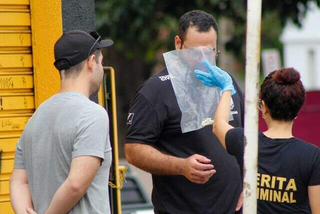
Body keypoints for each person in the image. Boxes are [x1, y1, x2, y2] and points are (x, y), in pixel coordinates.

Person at [125, 10, 244, 213]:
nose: (203, 61)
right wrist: (181, 166)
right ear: (178, 44)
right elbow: (133, 149)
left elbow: (245, 138)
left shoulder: (227, 83)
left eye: (210, 52)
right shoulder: (156, 91)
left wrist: (248, 183)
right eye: (195, 53)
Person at [9, 30, 113, 214]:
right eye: (101, 63)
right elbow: (75, 184)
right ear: (91, 62)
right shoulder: (92, 114)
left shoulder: (36, 117)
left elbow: (19, 181)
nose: (102, 70)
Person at [195, 63, 320, 213]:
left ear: (264, 108)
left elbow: (218, 125)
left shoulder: (247, 143)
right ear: (297, 111)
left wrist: (226, 88)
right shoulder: (312, 156)